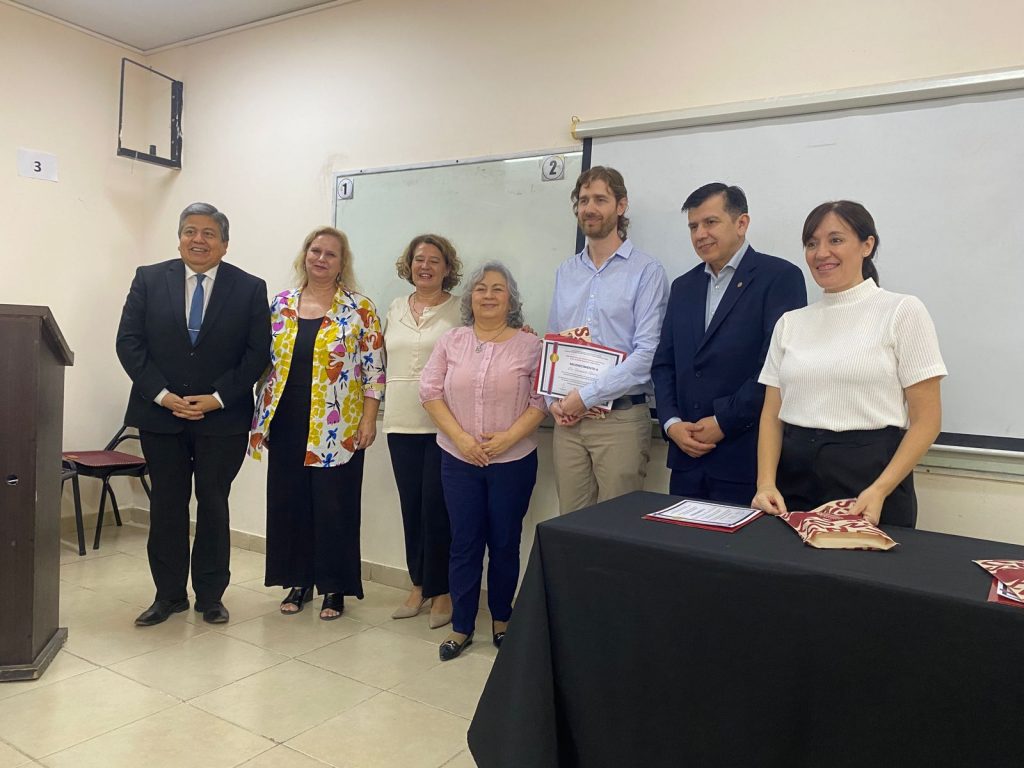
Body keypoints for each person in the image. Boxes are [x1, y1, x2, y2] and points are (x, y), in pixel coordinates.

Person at [116, 202, 271, 627]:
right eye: (190, 231)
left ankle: (210, 596)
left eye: (208, 233)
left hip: (222, 418)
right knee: (167, 505)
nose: (197, 240)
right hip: (160, 415)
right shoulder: (149, 279)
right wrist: (163, 395)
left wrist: (218, 397)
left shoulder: (249, 288)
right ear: (179, 237)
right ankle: (168, 596)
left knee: (213, 503)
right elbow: (129, 343)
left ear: (224, 243)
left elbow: (257, 352)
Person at [752, 201, 946, 527]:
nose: (821, 253)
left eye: (836, 240)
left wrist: (880, 489)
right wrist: (766, 483)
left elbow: (927, 421)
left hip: (872, 481)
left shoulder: (902, 311)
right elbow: (772, 415)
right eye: (811, 243)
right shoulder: (790, 323)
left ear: (867, 245)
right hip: (793, 479)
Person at [249, 226, 385, 619]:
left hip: (338, 425)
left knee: (334, 506)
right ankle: (299, 581)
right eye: (315, 251)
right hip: (286, 420)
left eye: (330, 254)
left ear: (342, 264)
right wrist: (262, 418)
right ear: (305, 255)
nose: (321, 259)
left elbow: (374, 371)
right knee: (291, 503)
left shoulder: (360, 309)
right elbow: (264, 364)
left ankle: (334, 588)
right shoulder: (281, 304)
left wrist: (369, 420)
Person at [420, 261, 546, 661]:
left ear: (511, 299)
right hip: (458, 460)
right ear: (469, 297)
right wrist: (461, 439)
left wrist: (507, 438)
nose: (488, 295)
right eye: (480, 288)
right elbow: (429, 391)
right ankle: (461, 626)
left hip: (514, 461)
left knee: (505, 542)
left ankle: (502, 620)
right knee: (464, 542)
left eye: (497, 289)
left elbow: (541, 400)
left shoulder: (531, 346)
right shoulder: (451, 341)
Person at [651, 183, 807, 505]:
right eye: (693, 226)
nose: (700, 234)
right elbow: (664, 364)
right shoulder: (683, 286)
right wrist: (671, 423)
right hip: (686, 458)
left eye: (710, 222)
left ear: (741, 223)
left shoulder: (779, 278)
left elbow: (776, 368)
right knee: (679, 539)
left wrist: (724, 421)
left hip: (745, 457)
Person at [546, 166, 669, 514]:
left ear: (621, 206)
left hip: (620, 419)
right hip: (568, 423)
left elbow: (646, 354)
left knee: (615, 526)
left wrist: (586, 396)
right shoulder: (566, 271)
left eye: (600, 199)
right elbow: (554, 344)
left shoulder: (647, 271)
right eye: (584, 200)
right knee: (570, 525)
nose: (590, 208)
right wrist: (552, 399)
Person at [383, 234, 462, 628]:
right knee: (411, 506)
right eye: (418, 259)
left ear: (447, 268)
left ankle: (442, 589)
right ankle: (418, 585)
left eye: (434, 260)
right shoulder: (395, 307)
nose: (425, 266)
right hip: (399, 421)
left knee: (438, 508)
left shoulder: (461, 310)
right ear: (409, 265)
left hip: (443, 423)